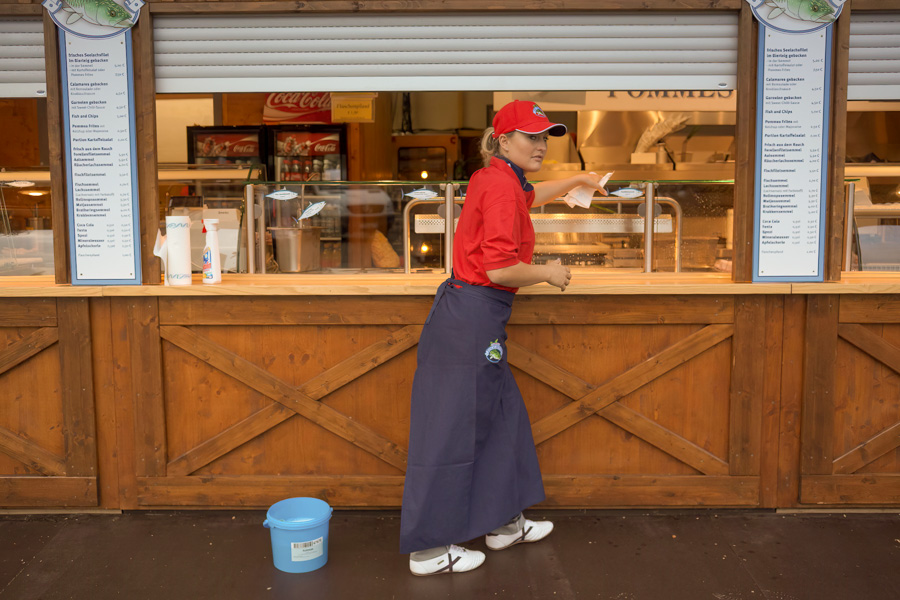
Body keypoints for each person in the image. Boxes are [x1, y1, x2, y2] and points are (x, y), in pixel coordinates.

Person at [399, 100, 608, 576]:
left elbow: (533, 197)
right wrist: (549, 272)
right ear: (503, 140)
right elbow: (500, 268)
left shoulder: (499, 179)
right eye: (531, 136)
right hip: (470, 320)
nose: (540, 145)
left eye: (544, 137)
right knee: (449, 432)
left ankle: (504, 522)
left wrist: (578, 181)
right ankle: (429, 551)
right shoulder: (498, 188)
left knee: (501, 419)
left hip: (474, 319)